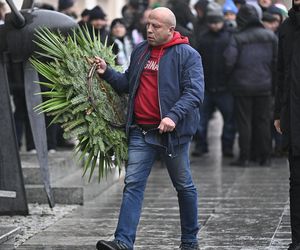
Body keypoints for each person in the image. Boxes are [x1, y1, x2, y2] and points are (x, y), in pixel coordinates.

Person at [94, 7, 204, 250]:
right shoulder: (141, 50)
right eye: (148, 25)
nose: (150, 30)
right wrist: (107, 73)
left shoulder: (188, 55)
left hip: (172, 135)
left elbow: (194, 93)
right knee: (133, 184)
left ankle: (190, 242)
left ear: (170, 30)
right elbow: (127, 84)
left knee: (184, 186)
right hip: (141, 131)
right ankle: (123, 241)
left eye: (156, 26)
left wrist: (173, 116)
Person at [224, 4, 277, 166]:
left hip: (242, 86)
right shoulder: (270, 36)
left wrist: (230, 78)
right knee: (263, 121)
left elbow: (228, 61)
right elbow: (277, 62)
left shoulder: (237, 38)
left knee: (244, 122)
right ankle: (265, 157)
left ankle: (244, 157)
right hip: (265, 85)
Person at [193, 1, 235, 158]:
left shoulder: (230, 36)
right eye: (212, 23)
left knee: (229, 121)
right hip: (207, 86)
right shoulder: (204, 38)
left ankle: (227, 147)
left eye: (217, 22)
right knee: (201, 120)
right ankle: (201, 145)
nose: (215, 26)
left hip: (225, 86)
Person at [274, 0, 300, 248]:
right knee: (296, 180)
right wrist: (278, 113)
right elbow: (280, 73)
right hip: (293, 114)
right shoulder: (287, 28)